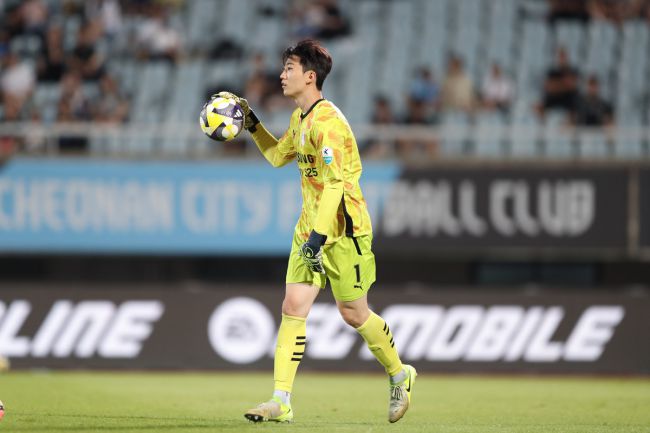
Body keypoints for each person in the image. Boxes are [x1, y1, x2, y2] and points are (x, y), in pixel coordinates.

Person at [216, 39, 416, 424]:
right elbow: (278, 157)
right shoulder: (300, 119)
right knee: (293, 307)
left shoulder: (329, 124)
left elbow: (336, 185)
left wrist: (317, 240)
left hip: (343, 232)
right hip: (310, 226)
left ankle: (399, 373)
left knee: (353, 313)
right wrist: (252, 123)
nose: (281, 75)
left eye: (289, 68)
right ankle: (281, 400)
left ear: (310, 76)